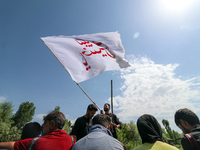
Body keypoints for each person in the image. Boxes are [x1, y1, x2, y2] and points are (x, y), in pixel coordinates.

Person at [0, 110, 73, 150]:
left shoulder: (36, 142)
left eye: (45, 123)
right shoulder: (73, 141)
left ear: (52, 125)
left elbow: (13, 145)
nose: (42, 125)